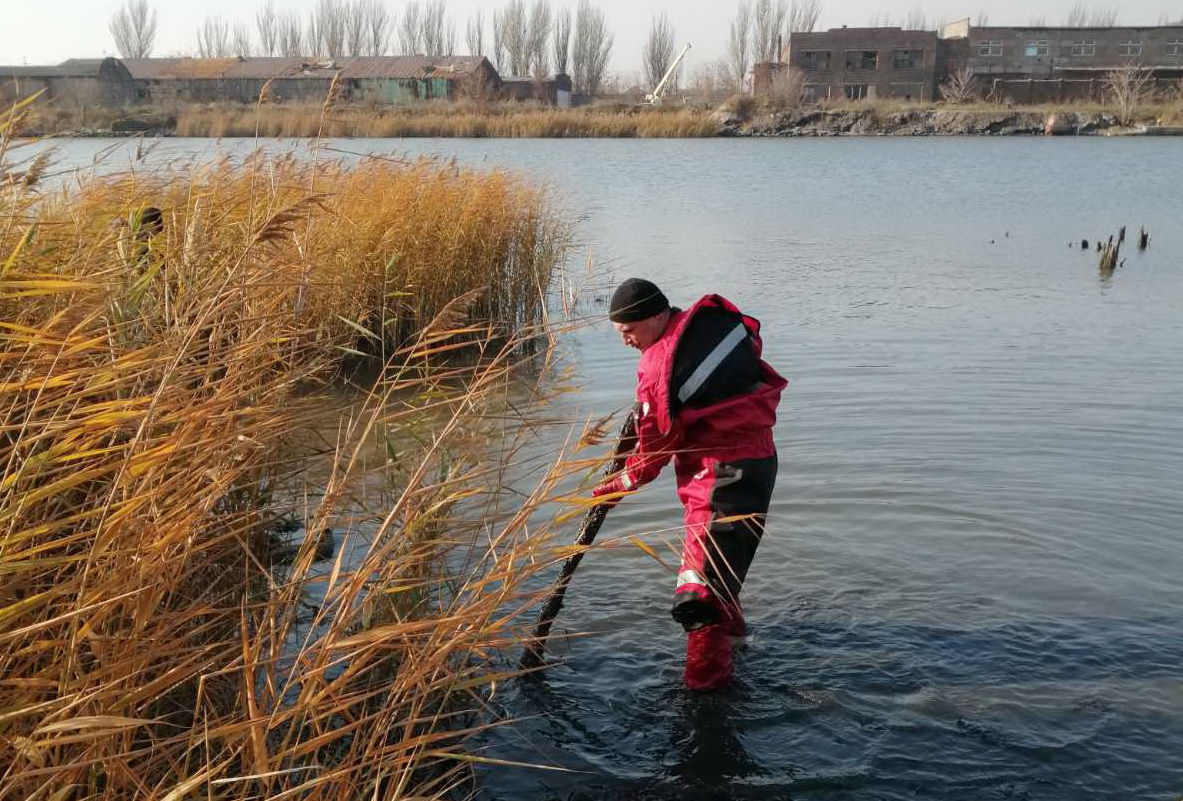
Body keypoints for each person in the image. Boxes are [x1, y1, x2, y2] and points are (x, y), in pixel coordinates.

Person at [592, 278, 787, 691]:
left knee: (697, 597)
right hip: (759, 463)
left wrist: (614, 486)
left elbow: (654, 450)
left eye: (628, 332)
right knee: (720, 572)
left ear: (656, 316)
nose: (625, 341)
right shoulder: (703, 330)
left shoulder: (658, 365)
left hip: (720, 478)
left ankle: (705, 696)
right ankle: (735, 646)